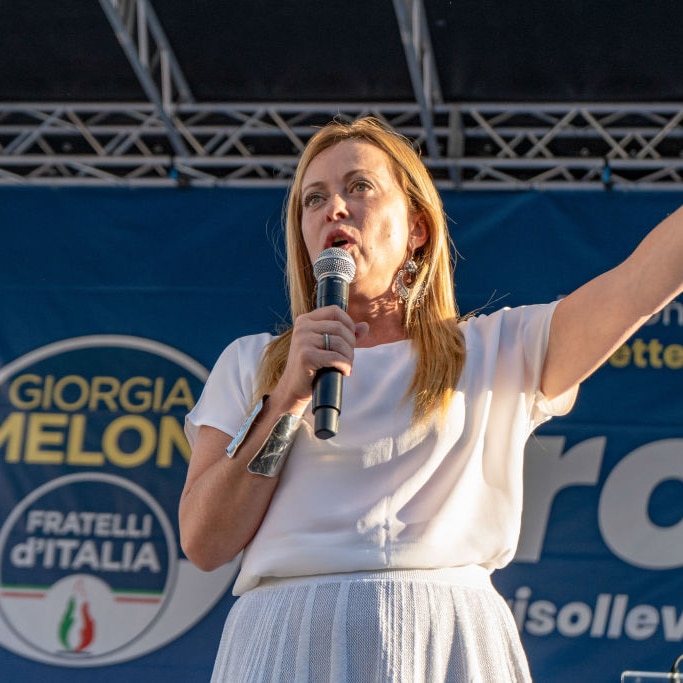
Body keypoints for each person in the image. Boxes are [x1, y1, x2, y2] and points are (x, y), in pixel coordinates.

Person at [179, 116, 683, 682]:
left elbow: (640, 283)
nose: (334, 209)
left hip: (445, 640)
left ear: (417, 227)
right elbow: (205, 543)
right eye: (312, 199)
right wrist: (288, 400)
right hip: (288, 641)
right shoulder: (251, 363)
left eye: (359, 187)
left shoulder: (497, 350)